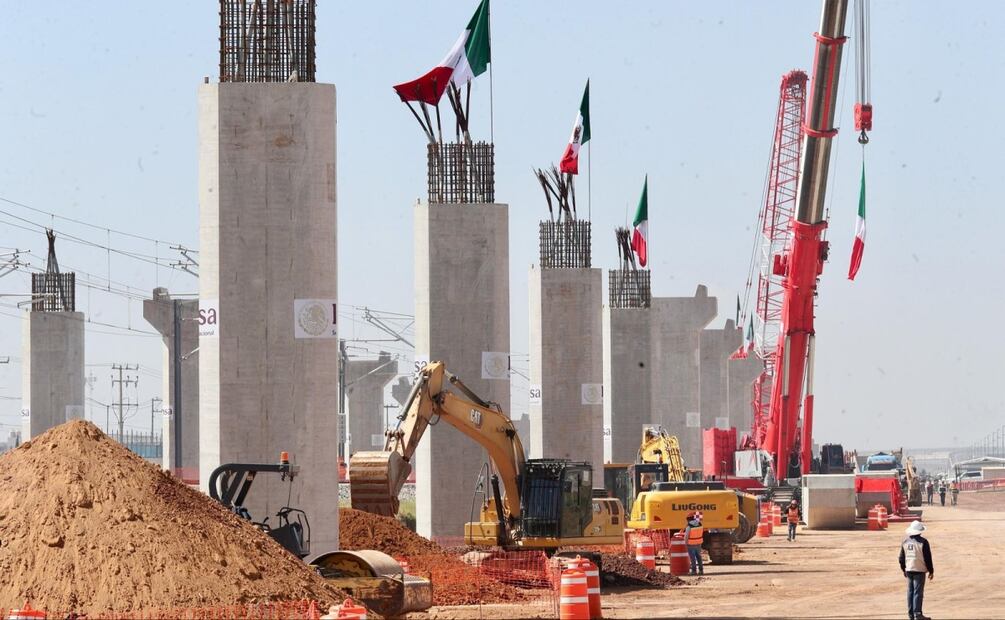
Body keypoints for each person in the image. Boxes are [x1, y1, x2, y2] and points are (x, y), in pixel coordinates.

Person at [898, 520, 934, 620]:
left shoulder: (905, 542)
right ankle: (917, 614)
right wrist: (931, 571)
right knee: (918, 592)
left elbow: (901, 558)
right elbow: (928, 558)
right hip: (919, 570)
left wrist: (903, 569)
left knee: (910, 592)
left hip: (909, 569)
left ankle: (911, 614)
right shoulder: (923, 542)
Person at [683, 512, 704, 576]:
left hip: (691, 544)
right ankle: (701, 570)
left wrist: (685, 543)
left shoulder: (689, 526)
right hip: (698, 543)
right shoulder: (700, 524)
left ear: (688, 519)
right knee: (699, 557)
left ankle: (694, 571)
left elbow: (686, 536)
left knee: (692, 558)